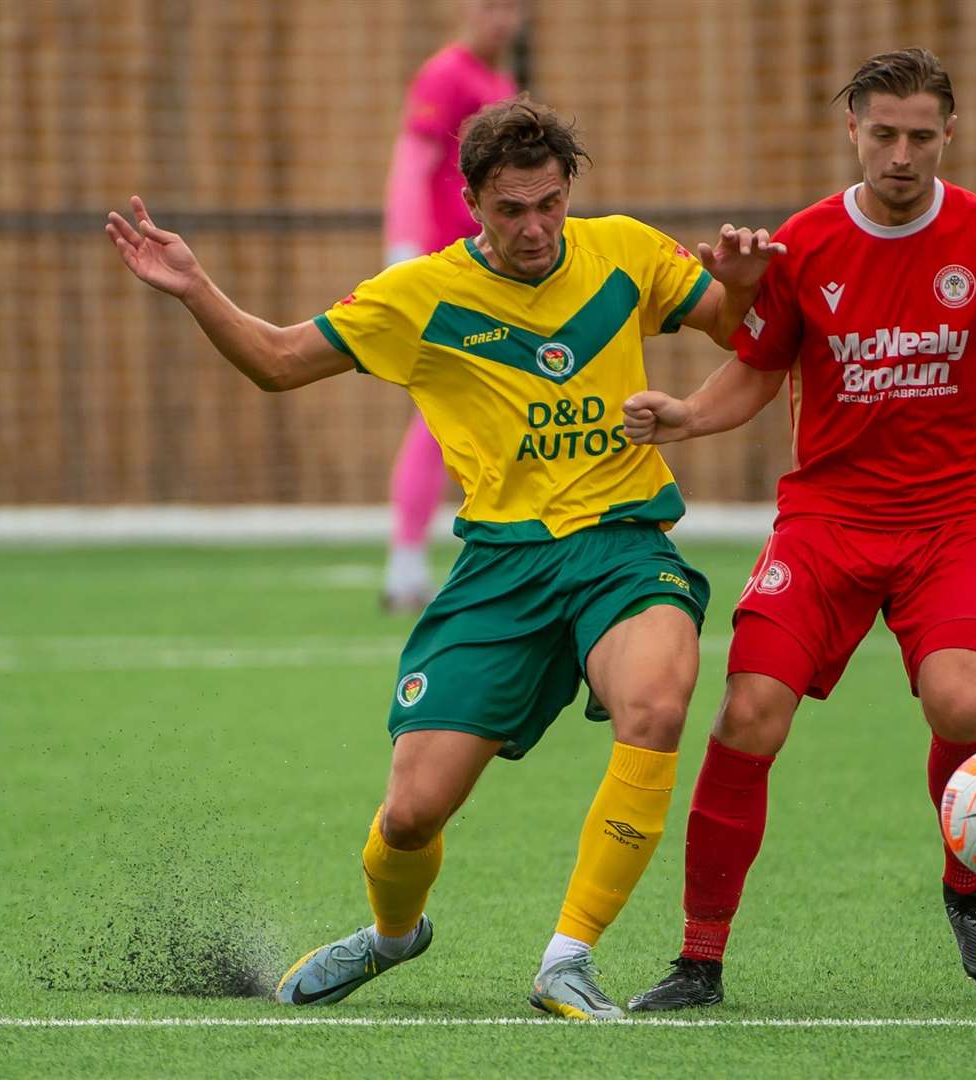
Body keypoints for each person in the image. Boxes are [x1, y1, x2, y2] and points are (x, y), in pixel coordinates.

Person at [104, 97, 784, 1020]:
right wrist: (195, 288)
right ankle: (392, 936)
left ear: (570, 191)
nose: (536, 226)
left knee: (657, 705)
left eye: (549, 203)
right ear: (471, 203)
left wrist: (739, 285)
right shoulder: (418, 295)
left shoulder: (624, 249)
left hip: (623, 547)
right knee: (411, 815)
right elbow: (276, 360)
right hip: (500, 571)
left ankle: (568, 959)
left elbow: (732, 329)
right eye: (511, 209)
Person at [622, 48, 976, 1010]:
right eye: (884, 135)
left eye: (922, 136)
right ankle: (698, 960)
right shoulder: (806, 245)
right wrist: (690, 418)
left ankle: (966, 886)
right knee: (748, 713)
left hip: (953, 519)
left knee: (963, 705)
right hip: (826, 521)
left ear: (949, 135)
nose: (902, 154)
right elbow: (756, 368)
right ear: (853, 132)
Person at [381, 0, 522, 612]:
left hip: (492, 271)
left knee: (487, 408)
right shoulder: (447, 74)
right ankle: (405, 562)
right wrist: (404, 246)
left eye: (514, 8)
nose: (504, 18)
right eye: (492, 5)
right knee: (440, 412)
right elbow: (412, 164)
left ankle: (474, 554)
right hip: (450, 270)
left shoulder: (499, 83)